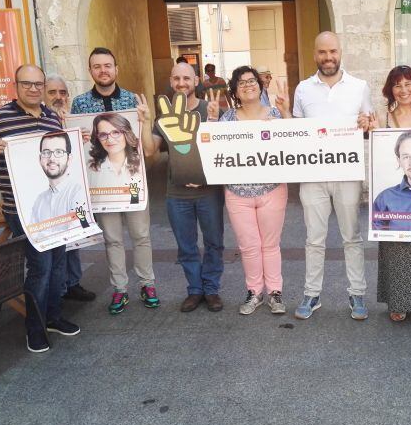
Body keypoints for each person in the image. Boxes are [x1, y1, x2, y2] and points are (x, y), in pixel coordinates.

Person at [0, 64, 80, 353]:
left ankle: (52, 317)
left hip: (54, 205)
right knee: (40, 267)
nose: (33, 88)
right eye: (26, 83)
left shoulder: (53, 117)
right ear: (15, 86)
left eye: (38, 84)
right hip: (21, 208)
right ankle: (35, 328)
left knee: (58, 264)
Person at [71, 47, 158, 315]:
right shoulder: (80, 104)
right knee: (112, 239)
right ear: (90, 71)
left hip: (133, 181)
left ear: (116, 69)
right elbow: (76, 147)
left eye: (107, 65)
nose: (103, 70)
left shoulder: (134, 100)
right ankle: (120, 288)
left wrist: (146, 120)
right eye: (97, 66)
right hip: (102, 184)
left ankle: (147, 284)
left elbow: (147, 148)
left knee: (141, 235)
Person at [293, 31, 372, 320]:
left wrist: (368, 124)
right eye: (323, 52)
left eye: (333, 51)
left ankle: (357, 294)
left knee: (351, 236)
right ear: (315, 54)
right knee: (314, 238)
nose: (329, 57)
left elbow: (370, 125)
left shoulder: (359, 87)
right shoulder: (302, 89)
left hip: (347, 174)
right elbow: (297, 131)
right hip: (312, 174)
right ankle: (312, 294)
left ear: (341, 52)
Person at [138, 62, 225, 313]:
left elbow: (223, 151)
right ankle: (195, 290)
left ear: (196, 80)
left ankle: (211, 289)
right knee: (186, 246)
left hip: (209, 192)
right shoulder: (164, 114)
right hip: (177, 194)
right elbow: (149, 150)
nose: (181, 83)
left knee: (213, 242)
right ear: (171, 80)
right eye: (176, 78)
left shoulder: (208, 108)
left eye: (186, 78)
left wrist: (215, 122)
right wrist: (145, 122)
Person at [360, 67, 411, 323]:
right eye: (398, 85)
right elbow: (375, 147)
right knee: (394, 248)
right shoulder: (384, 118)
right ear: (390, 90)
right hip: (397, 196)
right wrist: (370, 130)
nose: (404, 90)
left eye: (408, 84)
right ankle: (396, 302)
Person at [219, 65, 291, 315]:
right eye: (242, 82)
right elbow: (216, 153)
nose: (248, 85)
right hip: (238, 193)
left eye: (252, 81)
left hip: (272, 190)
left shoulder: (275, 114)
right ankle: (254, 292)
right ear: (235, 91)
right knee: (248, 246)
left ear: (260, 86)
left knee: (270, 244)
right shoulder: (226, 119)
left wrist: (286, 114)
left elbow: (295, 144)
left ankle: (274, 292)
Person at [44, 75, 96, 302]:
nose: (58, 97)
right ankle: (56, 289)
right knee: (52, 244)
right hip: (47, 191)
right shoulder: (42, 119)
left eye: (63, 92)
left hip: (70, 189)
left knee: (73, 238)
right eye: (53, 92)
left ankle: (72, 283)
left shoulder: (72, 119)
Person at [31, 131, 89, 238]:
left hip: (68, 249)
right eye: (46, 152)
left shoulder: (79, 192)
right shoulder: (39, 200)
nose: (52, 158)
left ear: (69, 159)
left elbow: (80, 229)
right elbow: (34, 235)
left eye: (59, 152)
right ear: (40, 159)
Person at [88, 112, 143, 191]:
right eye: (103, 135)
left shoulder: (140, 163)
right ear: (98, 139)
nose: (110, 140)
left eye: (116, 132)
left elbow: (136, 198)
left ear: (126, 134)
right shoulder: (91, 168)